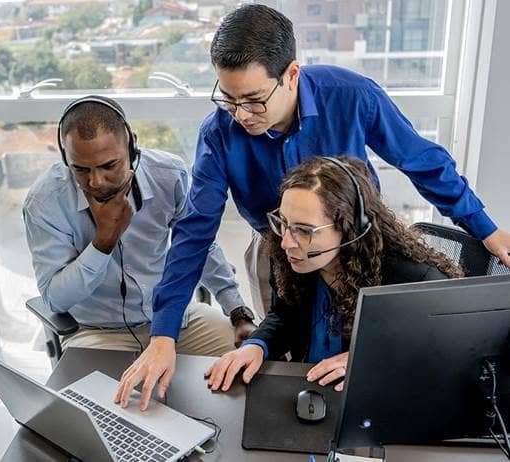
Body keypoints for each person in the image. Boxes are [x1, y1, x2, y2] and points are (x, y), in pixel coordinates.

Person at [114, 4, 509, 411]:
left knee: (374, 359)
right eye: (228, 99)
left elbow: (424, 163)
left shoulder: (352, 95)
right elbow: (195, 233)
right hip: (277, 251)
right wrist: (166, 335)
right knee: (297, 350)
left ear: (291, 75)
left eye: (253, 100)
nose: (241, 115)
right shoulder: (220, 132)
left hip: (360, 250)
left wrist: (486, 230)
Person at [203, 156, 462, 392]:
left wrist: (370, 360)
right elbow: (285, 314)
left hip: (377, 397)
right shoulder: (290, 255)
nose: (286, 242)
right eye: (282, 222)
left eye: (304, 230)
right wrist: (257, 346)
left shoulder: (416, 281)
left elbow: (442, 353)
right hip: (312, 388)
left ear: (350, 228)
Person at [23, 95, 254, 356]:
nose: (97, 181)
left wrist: (237, 311)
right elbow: (55, 299)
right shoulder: (45, 202)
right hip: (96, 332)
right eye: (81, 169)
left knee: (249, 361)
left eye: (109, 165)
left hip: (175, 320)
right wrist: (104, 242)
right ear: (66, 158)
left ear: (132, 145)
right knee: (101, 397)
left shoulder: (168, 175)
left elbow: (199, 246)